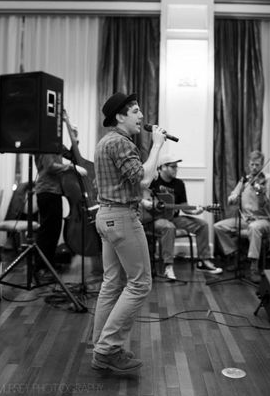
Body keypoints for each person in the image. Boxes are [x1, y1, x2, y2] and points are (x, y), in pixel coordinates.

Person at [91, 92, 166, 374]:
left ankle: (101, 345)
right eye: (135, 111)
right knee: (140, 283)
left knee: (111, 282)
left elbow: (135, 179)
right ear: (120, 117)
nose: (141, 115)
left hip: (105, 216)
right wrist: (157, 146)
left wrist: (148, 169)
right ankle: (107, 348)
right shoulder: (122, 143)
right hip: (122, 218)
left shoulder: (105, 142)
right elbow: (144, 179)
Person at [141, 154, 222, 279]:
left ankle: (204, 261)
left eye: (176, 167)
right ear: (162, 167)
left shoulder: (179, 184)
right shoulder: (153, 181)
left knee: (202, 225)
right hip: (153, 219)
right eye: (173, 167)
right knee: (169, 227)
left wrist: (196, 211)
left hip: (172, 217)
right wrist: (146, 202)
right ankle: (168, 267)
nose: (176, 169)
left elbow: (184, 206)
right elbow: (139, 195)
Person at [34, 127, 87, 280]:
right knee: (46, 231)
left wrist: (74, 139)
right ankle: (39, 268)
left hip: (55, 191)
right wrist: (71, 167)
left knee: (54, 230)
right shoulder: (45, 144)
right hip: (46, 190)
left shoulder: (54, 144)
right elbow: (50, 167)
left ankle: (48, 263)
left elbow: (71, 156)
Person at [214, 150, 270, 283]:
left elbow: (264, 203)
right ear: (248, 164)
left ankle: (254, 268)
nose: (254, 168)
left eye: (257, 165)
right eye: (252, 164)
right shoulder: (245, 179)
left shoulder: (268, 180)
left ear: (262, 164)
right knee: (218, 226)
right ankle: (235, 255)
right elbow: (232, 196)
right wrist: (233, 197)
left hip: (263, 220)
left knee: (253, 227)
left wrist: (259, 190)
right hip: (245, 219)